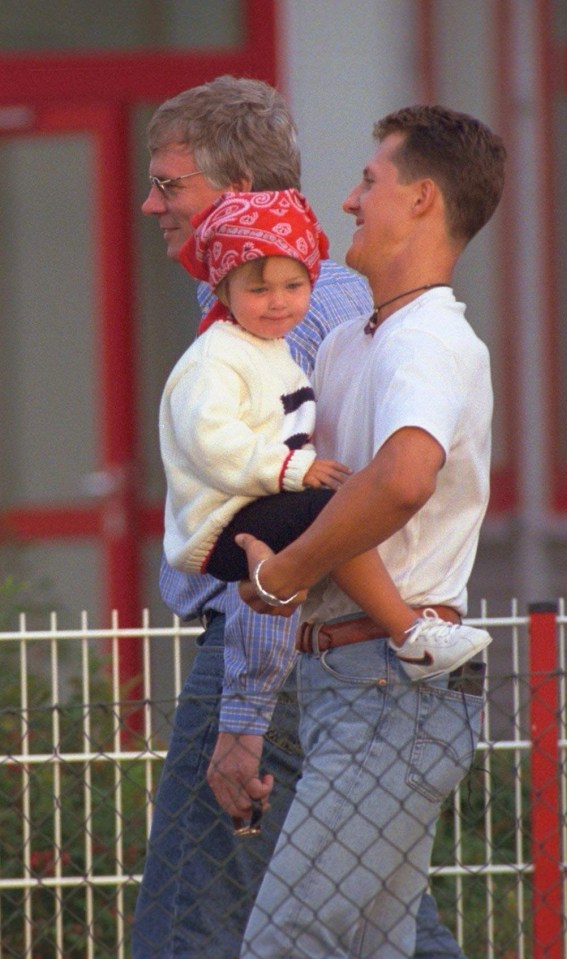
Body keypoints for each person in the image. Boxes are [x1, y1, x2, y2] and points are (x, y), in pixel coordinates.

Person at [133, 75, 471, 959]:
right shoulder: (301, 302)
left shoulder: (284, 317)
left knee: (192, 923)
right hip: (323, 645)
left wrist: (245, 701)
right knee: (381, 928)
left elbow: (304, 516)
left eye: (171, 185)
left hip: (277, 636)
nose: (150, 204)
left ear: (238, 187)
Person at [228, 104, 506, 958]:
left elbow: (401, 479)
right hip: (358, 680)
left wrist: (284, 575)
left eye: (369, 180)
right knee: (378, 947)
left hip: (395, 685)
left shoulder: (426, 340)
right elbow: (334, 492)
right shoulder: (353, 340)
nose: (348, 200)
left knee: (286, 940)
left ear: (421, 199)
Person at [163, 186, 491, 676]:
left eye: (294, 287)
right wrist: (298, 469)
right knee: (332, 510)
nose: (278, 303)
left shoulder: (269, 350)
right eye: (258, 290)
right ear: (222, 290)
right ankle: (407, 630)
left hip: (252, 509)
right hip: (223, 524)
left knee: (330, 509)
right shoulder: (215, 358)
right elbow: (212, 444)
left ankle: (395, 625)